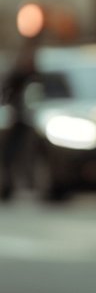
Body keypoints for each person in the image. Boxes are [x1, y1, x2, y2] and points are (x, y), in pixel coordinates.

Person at [0, 45, 38, 201]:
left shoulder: (35, 77)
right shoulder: (18, 78)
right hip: (17, 121)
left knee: (22, 153)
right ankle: (9, 183)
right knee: (11, 154)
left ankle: (22, 181)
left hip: (28, 122)